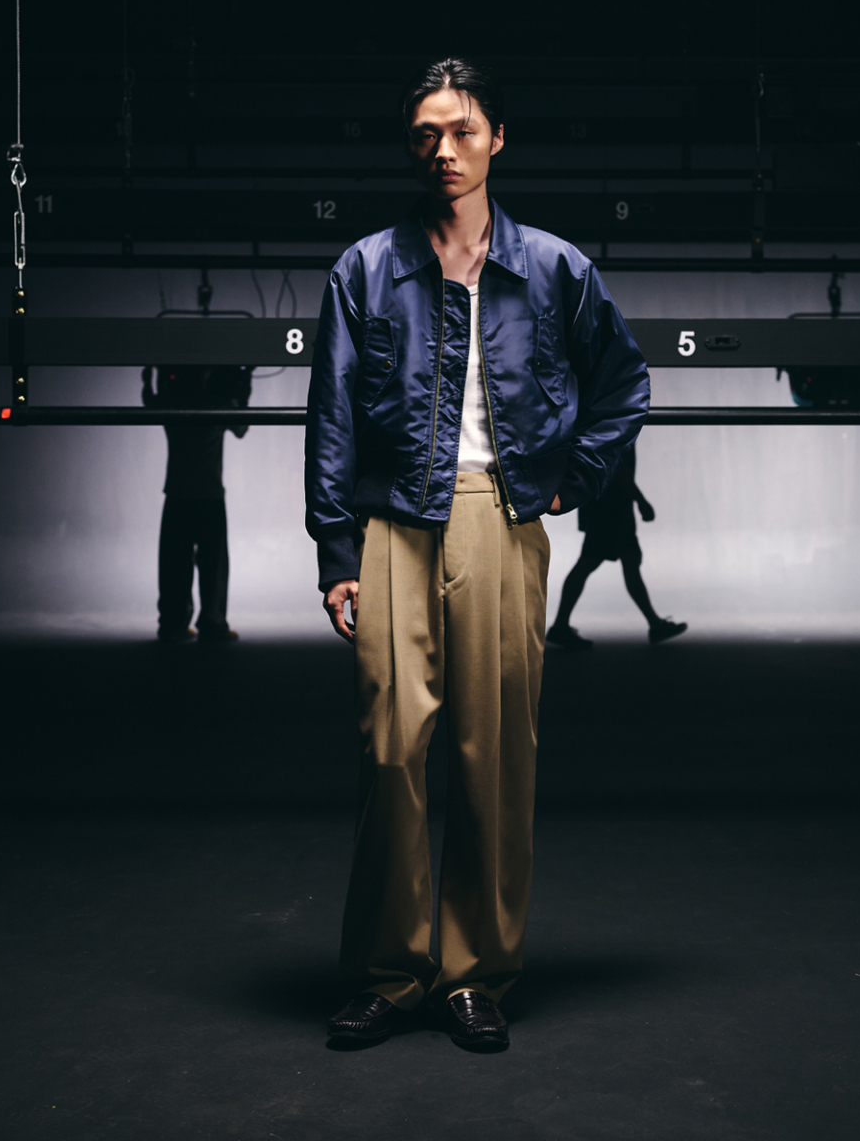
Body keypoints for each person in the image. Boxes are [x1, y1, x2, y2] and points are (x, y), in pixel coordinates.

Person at [304, 57, 649, 1052]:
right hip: (390, 525)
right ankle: (388, 973)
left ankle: (473, 977)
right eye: (426, 133)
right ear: (411, 147)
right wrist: (337, 550)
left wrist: (570, 479)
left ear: (498, 138)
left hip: (500, 518)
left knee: (493, 756)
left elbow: (624, 383)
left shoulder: (554, 269)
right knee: (389, 750)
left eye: (462, 130)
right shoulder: (365, 269)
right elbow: (332, 417)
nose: (444, 150)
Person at [142, 364, 252, 644]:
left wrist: (151, 377)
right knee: (213, 566)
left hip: (178, 493)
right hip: (209, 494)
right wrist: (243, 384)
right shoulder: (217, 403)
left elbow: (150, 402)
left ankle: (173, 623)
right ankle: (212, 623)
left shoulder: (175, 401)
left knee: (174, 564)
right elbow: (241, 427)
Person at [546, 445, 687, 648]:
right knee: (595, 562)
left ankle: (655, 624)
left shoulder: (607, 427)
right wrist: (641, 500)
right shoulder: (619, 427)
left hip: (605, 505)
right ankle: (560, 626)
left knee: (622, 560)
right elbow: (617, 468)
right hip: (611, 509)